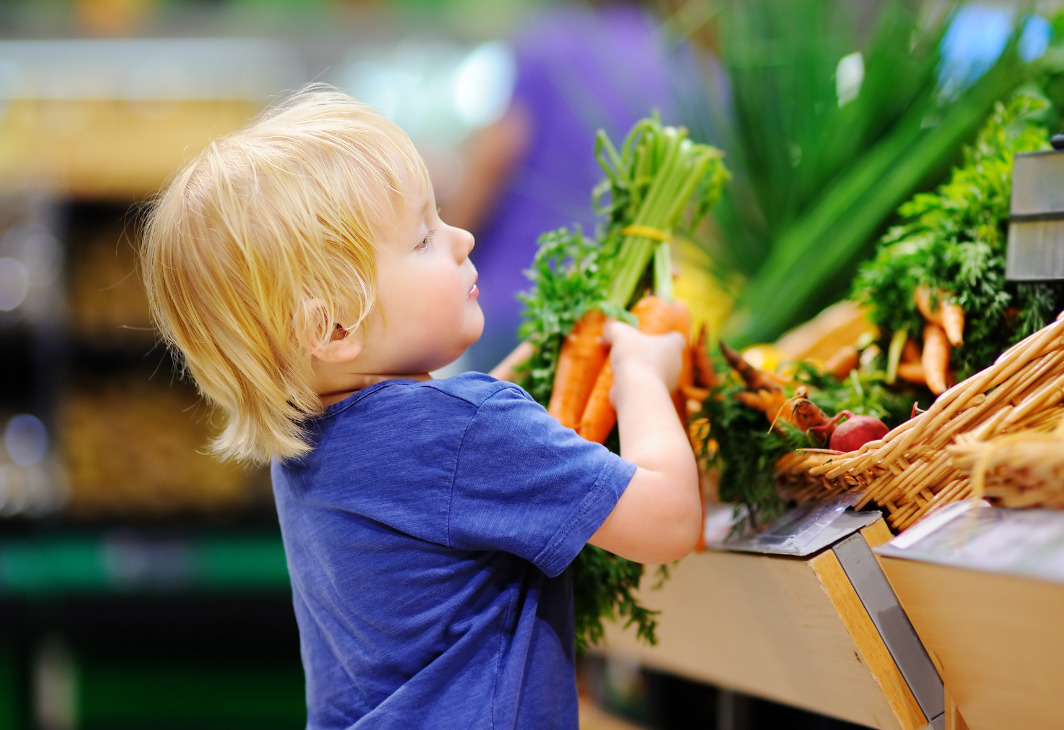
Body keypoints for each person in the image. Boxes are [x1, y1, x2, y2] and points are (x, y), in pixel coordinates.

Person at [139, 84, 701, 729]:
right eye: (423, 238)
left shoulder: (312, 440)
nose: (462, 237)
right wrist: (640, 374)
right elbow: (668, 522)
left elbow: (454, 462)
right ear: (335, 329)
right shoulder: (464, 430)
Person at [440, 0, 708, 373]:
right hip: (621, 317)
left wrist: (438, 248)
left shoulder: (551, 43)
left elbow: (493, 158)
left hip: (515, 300)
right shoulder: (689, 66)